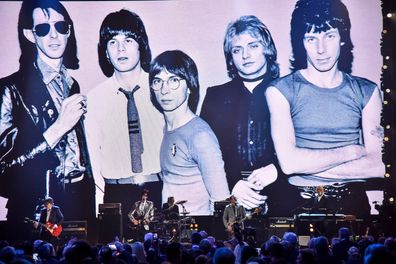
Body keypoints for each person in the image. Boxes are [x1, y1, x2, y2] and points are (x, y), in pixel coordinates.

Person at [266, 0, 385, 216]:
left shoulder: (367, 91)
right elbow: (289, 164)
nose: (321, 50)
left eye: (329, 36)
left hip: (352, 202)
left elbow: (377, 166)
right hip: (296, 202)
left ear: (342, 37)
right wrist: (353, 151)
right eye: (311, 39)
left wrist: (306, 166)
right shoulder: (280, 90)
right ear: (301, 42)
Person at [0, 0, 95, 242]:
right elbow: (3, 171)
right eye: (43, 29)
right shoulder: (10, 89)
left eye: (60, 26)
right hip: (36, 213)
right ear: (30, 35)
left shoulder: (72, 84)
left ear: (69, 30)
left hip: (79, 204)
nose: (54, 35)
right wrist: (58, 128)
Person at [84, 9, 164, 235]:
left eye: (128, 40)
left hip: (159, 188)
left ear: (141, 45)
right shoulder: (95, 99)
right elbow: (94, 158)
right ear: (105, 52)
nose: (121, 48)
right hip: (115, 194)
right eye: (112, 42)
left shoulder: (161, 88)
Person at [200, 15, 280, 213]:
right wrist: (232, 183)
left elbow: (305, 144)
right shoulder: (215, 96)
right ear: (230, 57)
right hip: (230, 195)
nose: (246, 55)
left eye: (253, 46)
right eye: (237, 49)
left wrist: (277, 170)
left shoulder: (289, 91)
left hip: (281, 194)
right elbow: (204, 153)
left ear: (267, 49)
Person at [149, 50, 230, 215]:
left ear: (190, 87)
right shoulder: (166, 129)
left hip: (197, 234)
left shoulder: (200, 136)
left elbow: (222, 201)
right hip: (172, 232)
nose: (164, 90)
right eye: (158, 81)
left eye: (174, 80)